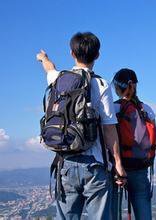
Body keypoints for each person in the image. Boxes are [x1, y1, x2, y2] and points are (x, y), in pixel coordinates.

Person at [36, 32, 126, 220]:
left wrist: (43, 58)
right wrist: (118, 163)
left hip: (65, 163)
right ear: (98, 55)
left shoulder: (59, 78)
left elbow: (49, 69)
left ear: (71, 53)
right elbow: (109, 129)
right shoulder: (101, 84)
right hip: (94, 165)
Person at [112, 68, 156, 220]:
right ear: (135, 85)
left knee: (114, 212)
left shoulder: (114, 108)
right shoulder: (147, 109)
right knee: (143, 209)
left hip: (118, 169)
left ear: (117, 88)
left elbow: (107, 136)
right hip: (140, 166)